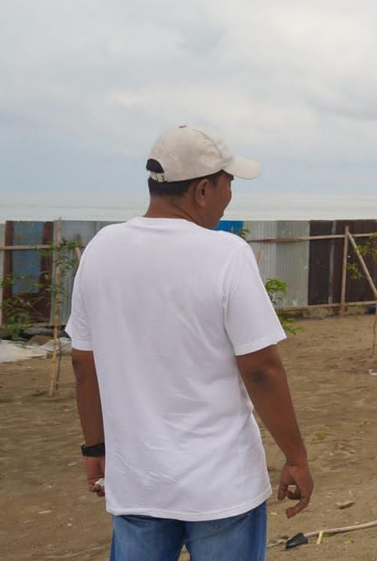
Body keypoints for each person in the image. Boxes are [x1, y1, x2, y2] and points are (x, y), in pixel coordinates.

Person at [68, 125, 313, 561]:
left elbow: (84, 365)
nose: (230, 195)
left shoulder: (101, 249)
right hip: (223, 487)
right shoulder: (226, 254)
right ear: (202, 190)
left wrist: (95, 448)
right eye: (228, 183)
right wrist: (295, 456)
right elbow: (261, 368)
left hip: (139, 482)